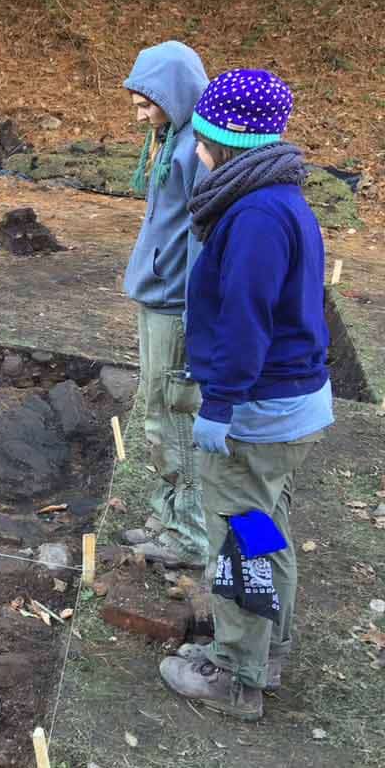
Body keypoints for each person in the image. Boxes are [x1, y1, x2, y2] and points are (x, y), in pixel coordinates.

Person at [159, 69, 334, 721]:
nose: (195, 151)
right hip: (289, 407)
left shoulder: (257, 215)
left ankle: (235, 675)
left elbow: (244, 319)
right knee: (264, 529)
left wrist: (220, 405)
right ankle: (268, 649)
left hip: (258, 412)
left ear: (220, 140)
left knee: (238, 534)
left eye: (201, 137)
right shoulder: (276, 196)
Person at [121, 41, 210, 565]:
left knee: (173, 418)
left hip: (176, 307)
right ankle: (168, 510)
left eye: (146, 104)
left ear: (174, 94)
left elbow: (201, 240)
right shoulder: (170, 138)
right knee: (154, 412)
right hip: (156, 296)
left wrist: (197, 320)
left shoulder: (196, 149)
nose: (139, 115)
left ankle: (189, 534)